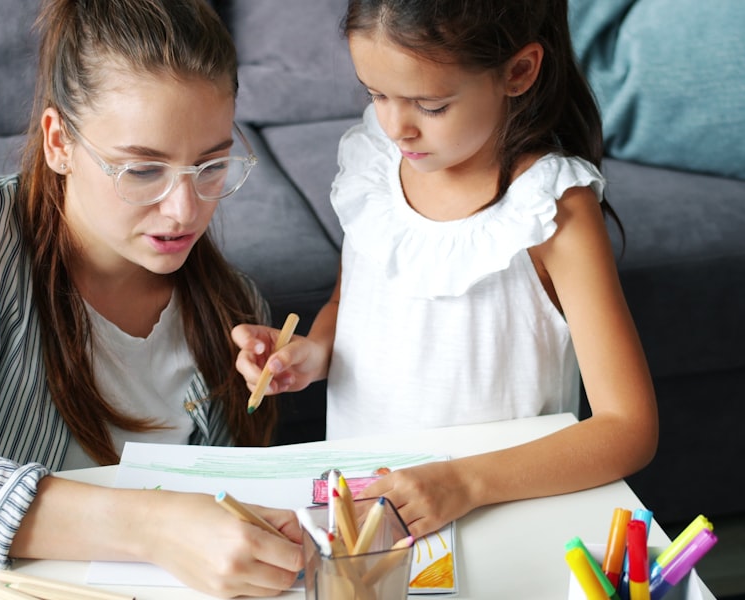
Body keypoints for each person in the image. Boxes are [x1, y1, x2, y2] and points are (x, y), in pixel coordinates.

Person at [0, 0, 304, 595]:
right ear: (59, 141)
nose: (186, 210)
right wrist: (150, 525)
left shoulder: (232, 307)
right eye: (142, 171)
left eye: (211, 164)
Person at [233, 0, 658, 540]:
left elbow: (630, 429)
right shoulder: (375, 163)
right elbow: (351, 304)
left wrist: (463, 483)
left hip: (496, 513)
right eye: (376, 94)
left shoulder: (552, 210)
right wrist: (313, 353)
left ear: (519, 72)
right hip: (372, 513)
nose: (395, 127)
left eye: (429, 105)